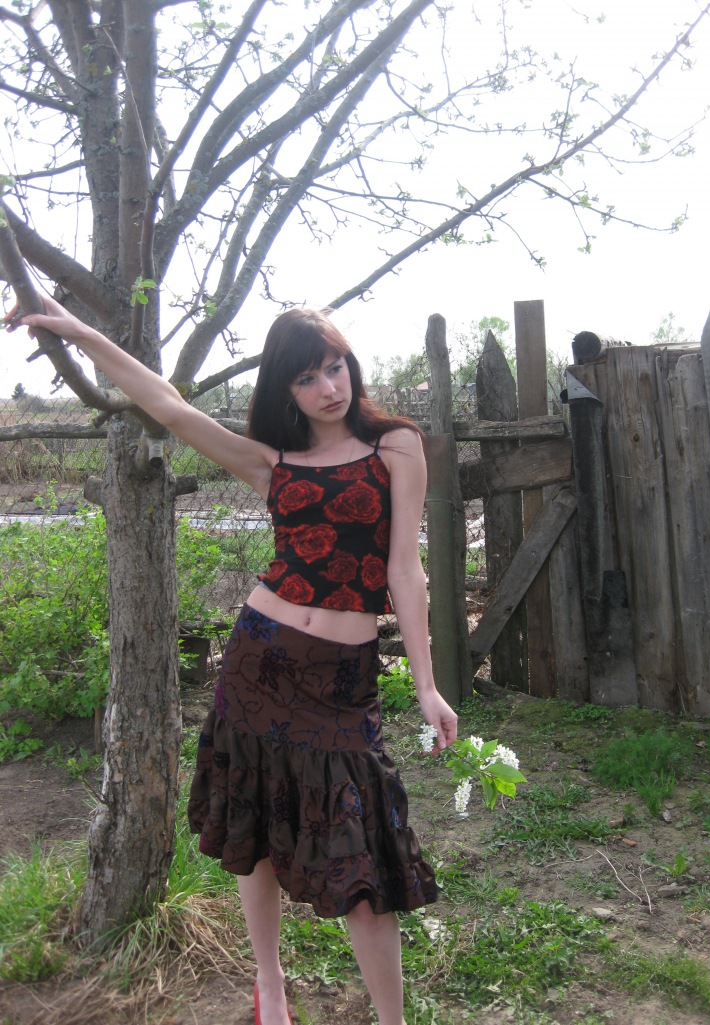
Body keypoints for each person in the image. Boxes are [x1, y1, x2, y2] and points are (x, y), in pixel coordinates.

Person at [5, 295, 458, 1025]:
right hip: (259, 664)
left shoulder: (395, 447)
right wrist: (78, 328)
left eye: (335, 367)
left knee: (363, 859)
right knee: (258, 831)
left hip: (341, 683)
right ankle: (269, 984)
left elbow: (406, 571)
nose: (329, 387)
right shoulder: (273, 462)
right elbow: (168, 404)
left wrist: (428, 686)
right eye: (307, 377)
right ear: (286, 390)